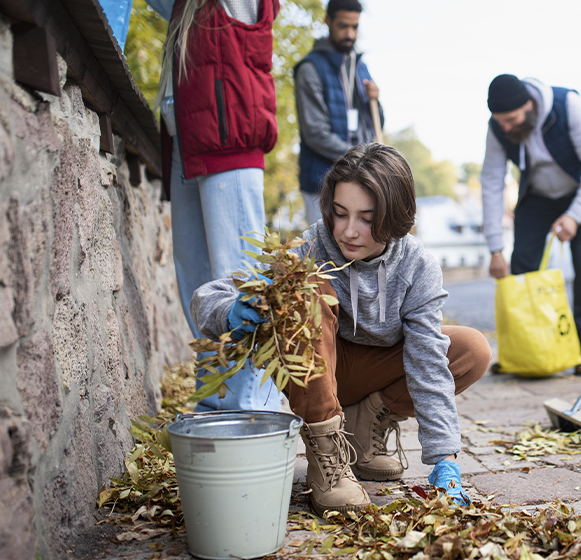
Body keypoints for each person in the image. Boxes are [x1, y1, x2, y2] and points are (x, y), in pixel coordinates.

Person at [190, 143, 492, 514]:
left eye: (366, 218)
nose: (348, 231)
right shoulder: (310, 246)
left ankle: (365, 430)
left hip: (374, 370)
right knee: (306, 288)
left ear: (394, 216)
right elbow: (208, 296)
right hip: (318, 372)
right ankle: (327, 457)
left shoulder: (418, 267)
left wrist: (445, 457)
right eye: (340, 213)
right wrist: (231, 311)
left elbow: (428, 362)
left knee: (471, 348)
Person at [155, 0, 281, 412]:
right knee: (199, 290)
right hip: (188, 143)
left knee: (240, 287)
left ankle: (252, 412)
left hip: (230, 144)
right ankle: (215, 407)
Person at [480, 74, 581, 375]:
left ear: (529, 105)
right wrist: (494, 248)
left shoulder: (568, 105)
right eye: (500, 121)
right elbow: (491, 182)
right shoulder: (498, 126)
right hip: (539, 195)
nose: (506, 127)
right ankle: (524, 348)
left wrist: (575, 215)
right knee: (522, 264)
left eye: (511, 119)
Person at [295, 0, 382, 226]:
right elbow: (316, 134)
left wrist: (376, 101)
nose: (350, 34)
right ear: (328, 21)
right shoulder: (310, 69)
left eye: (355, 27)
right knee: (325, 257)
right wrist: (361, 158)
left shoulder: (360, 66)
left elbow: (375, 125)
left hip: (360, 180)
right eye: (343, 26)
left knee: (357, 255)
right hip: (321, 185)